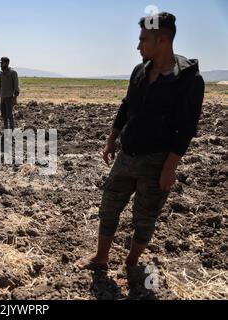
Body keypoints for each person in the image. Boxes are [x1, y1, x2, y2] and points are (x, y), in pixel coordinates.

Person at [76, 12, 205, 272]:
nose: (138, 46)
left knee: (144, 216)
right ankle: (101, 256)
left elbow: (187, 128)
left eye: (143, 40)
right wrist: (112, 139)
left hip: (157, 161)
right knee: (109, 205)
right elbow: (127, 106)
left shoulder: (189, 80)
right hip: (127, 154)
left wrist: (170, 168)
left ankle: (131, 262)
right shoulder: (140, 71)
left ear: (163, 40)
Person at [0, 57, 20, 130]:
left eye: (2, 63)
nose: (0, 65)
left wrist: (15, 98)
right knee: (3, 116)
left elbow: (16, 87)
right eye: (0, 63)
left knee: (9, 115)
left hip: (9, 97)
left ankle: (12, 131)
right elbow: (0, 87)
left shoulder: (13, 73)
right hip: (2, 98)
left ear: (7, 63)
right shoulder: (1, 73)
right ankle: (6, 131)